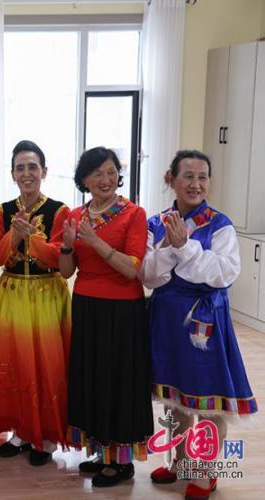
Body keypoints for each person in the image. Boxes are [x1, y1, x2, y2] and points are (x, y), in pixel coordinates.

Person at [139, 150, 257, 500]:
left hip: (203, 324)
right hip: (165, 319)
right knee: (174, 397)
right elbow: (147, 275)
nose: (195, 184)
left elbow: (223, 274)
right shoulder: (156, 222)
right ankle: (179, 462)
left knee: (207, 400)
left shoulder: (220, 225)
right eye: (188, 176)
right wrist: (168, 248)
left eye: (202, 177)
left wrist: (185, 247)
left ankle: (205, 474)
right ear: (170, 179)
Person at [58, 146, 152, 487]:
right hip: (86, 305)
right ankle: (101, 452)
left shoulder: (134, 214)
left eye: (111, 171)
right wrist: (67, 245)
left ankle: (122, 461)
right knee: (92, 378)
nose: (106, 179)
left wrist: (95, 241)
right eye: (97, 173)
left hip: (122, 310)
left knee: (119, 381)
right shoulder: (75, 215)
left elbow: (131, 269)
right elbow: (66, 271)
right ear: (84, 179)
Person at [0, 140, 71, 466]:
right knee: (13, 363)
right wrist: (14, 236)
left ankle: (47, 437)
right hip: (11, 294)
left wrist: (30, 238)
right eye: (20, 168)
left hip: (46, 294)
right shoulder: (2, 211)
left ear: (44, 171)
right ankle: (21, 431)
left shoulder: (59, 211)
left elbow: (59, 258)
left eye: (32, 167)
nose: (27, 173)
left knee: (47, 366)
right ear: (12, 174)